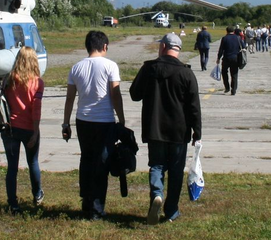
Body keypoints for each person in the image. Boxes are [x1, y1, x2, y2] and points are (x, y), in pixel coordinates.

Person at [130, 33, 201, 224]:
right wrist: (197, 131)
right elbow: (194, 105)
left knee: (157, 165)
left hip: (155, 129)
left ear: (162, 47)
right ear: (179, 49)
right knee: (176, 171)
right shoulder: (187, 73)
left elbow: (134, 95)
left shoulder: (149, 68)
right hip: (179, 131)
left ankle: (156, 195)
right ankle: (171, 211)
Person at [62, 30, 125, 220]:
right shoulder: (110, 66)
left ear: (87, 46)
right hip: (104, 121)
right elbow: (115, 94)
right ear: (104, 46)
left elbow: (70, 98)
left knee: (86, 160)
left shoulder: (76, 67)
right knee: (101, 164)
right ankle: (97, 209)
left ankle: (86, 201)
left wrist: (66, 123)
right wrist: (121, 120)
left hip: (83, 121)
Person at [1, 47, 44, 213]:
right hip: (28, 128)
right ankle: (37, 194)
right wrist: (35, 130)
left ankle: (13, 203)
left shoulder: (8, 79)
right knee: (33, 162)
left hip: (10, 128)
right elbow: (36, 109)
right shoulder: (37, 82)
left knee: (12, 167)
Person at [216, 26, 245, 95]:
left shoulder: (224, 38)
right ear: (233, 31)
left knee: (224, 72)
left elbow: (221, 49)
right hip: (235, 58)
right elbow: (243, 46)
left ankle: (227, 87)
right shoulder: (238, 38)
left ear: (226, 31)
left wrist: (218, 58)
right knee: (234, 74)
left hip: (226, 58)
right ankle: (233, 89)